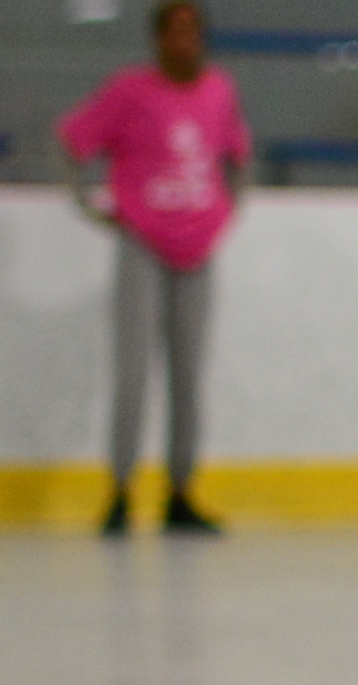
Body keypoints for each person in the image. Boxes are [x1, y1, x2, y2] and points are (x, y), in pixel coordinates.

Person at [57, 0, 250, 537]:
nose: (184, 41)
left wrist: (226, 210)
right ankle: (120, 491)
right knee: (134, 369)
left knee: (189, 372)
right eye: (175, 31)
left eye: (193, 31)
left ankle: (180, 492)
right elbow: (74, 139)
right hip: (143, 242)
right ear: (158, 39)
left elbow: (237, 155)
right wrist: (92, 209)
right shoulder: (129, 91)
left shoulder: (219, 91)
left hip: (198, 247)